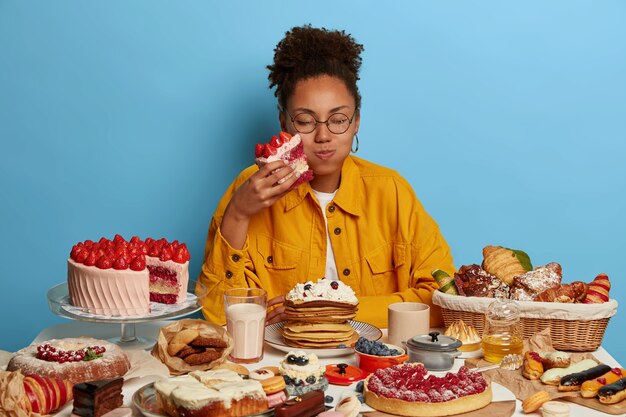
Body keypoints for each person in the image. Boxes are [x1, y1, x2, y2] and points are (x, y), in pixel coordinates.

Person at [196, 25, 455, 329]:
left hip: (373, 364)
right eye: (305, 120)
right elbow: (219, 314)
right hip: (280, 365)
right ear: (284, 121)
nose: (323, 136)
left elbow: (445, 300)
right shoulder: (250, 188)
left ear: (356, 121)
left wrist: (334, 309)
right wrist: (238, 214)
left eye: (338, 120)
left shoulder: (391, 191)